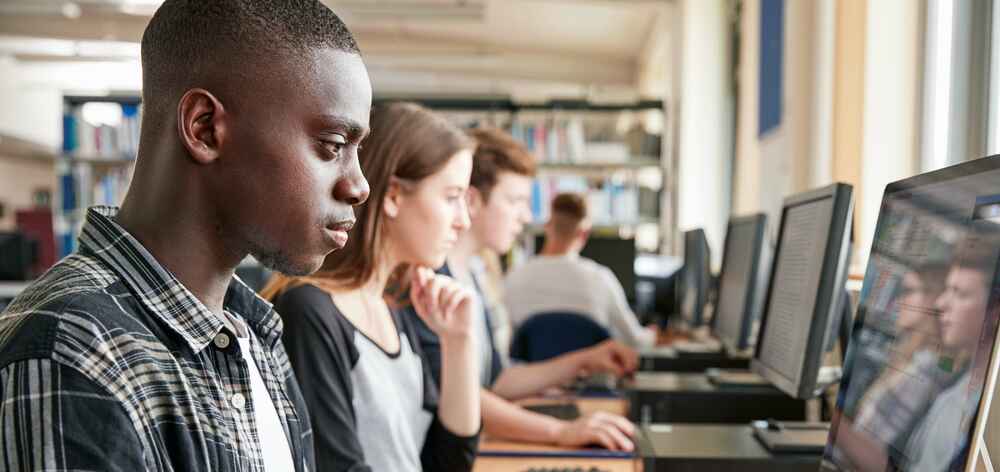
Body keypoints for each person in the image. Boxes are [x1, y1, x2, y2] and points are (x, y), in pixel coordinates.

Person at [0, 1, 370, 470]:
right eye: (333, 146)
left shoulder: (256, 333)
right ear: (205, 128)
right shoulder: (72, 348)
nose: (358, 185)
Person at [261, 102, 481, 472]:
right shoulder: (309, 311)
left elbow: (447, 463)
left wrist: (460, 343)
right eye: (451, 197)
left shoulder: (393, 309)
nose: (463, 220)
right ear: (393, 197)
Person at [409, 127, 640, 452]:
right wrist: (560, 432)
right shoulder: (429, 281)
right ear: (472, 200)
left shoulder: (475, 273)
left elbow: (497, 382)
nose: (527, 216)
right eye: (515, 201)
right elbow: (460, 394)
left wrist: (583, 360)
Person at [504, 192, 657, 349]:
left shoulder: (514, 278)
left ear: (547, 226)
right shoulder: (601, 279)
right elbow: (635, 341)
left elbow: (505, 342)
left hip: (529, 373)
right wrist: (654, 334)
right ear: (584, 234)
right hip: (589, 372)